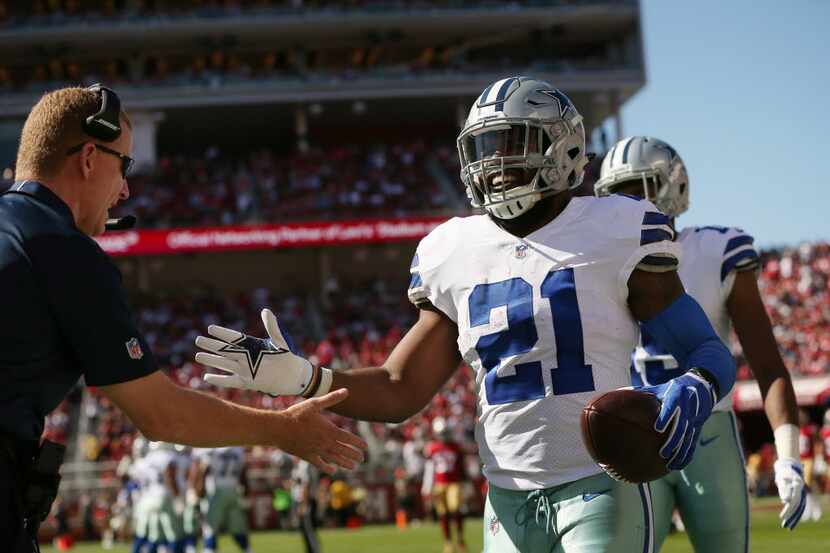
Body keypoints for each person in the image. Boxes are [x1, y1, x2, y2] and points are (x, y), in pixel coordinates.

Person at [195, 76, 737, 553]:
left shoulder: (616, 228)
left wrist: (699, 382)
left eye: (513, 143)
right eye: (485, 148)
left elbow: (706, 348)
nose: (495, 165)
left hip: (601, 483)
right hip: (505, 501)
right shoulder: (451, 250)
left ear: (565, 146)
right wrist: (306, 377)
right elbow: (399, 387)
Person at [0, 85, 366, 552]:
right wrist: (282, 428)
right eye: (123, 164)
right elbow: (161, 416)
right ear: (89, 158)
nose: (126, 188)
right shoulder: (62, 250)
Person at [594, 135, 807, 550]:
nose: (632, 204)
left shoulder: (716, 250)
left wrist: (788, 454)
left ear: (674, 187)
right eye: (619, 194)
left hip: (709, 430)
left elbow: (766, 363)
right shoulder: (597, 262)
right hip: (632, 428)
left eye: (641, 188)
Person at [193, 446, 252, 553]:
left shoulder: (211, 450)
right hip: (234, 491)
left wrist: (198, 495)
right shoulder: (237, 451)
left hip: (216, 491)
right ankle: (248, 550)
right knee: (237, 527)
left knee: (210, 528)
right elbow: (243, 474)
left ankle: (209, 550)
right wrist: (246, 494)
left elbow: (204, 471)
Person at [424, 417, 467, 553]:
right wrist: (427, 487)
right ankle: (448, 542)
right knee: (443, 513)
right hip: (439, 484)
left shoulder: (456, 447)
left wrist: (466, 482)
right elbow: (430, 468)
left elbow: (462, 467)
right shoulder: (432, 448)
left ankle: (460, 539)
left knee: (455, 509)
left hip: (454, 483)